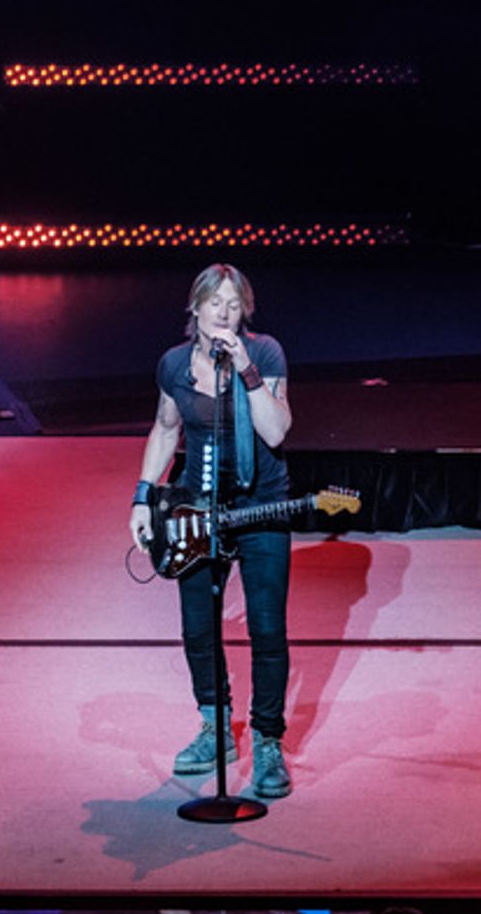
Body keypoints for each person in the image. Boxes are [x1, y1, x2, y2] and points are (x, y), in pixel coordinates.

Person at [128, 263, 295, 799]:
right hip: (196, 510)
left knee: (267, 629)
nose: (224, 314)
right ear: (195, 308)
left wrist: (246, 370)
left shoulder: (264, 352)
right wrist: (143, 495)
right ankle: (215, 726)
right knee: (199, 626)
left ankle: (268, 740)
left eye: (234, 305)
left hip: (263, 505)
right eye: (214, 303)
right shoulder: (174, 364)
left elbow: (276, 430)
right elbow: (165, 428)